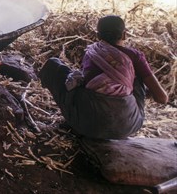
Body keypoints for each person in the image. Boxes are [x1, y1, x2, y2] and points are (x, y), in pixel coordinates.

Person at [39, 15, 168, 140]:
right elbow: (162, 98)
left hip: (86, 125)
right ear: (124, 35)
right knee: (136, 77)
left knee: (54, 65)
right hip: (126, 127)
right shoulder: (135, 57)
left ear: (98, 36)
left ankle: (74, 118)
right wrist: (138, 91)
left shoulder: (92, 53)